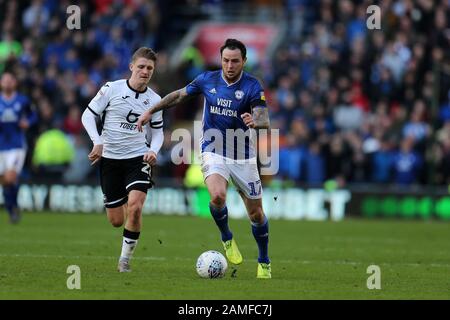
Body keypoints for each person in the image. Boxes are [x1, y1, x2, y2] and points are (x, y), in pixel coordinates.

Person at [137, 39, 272, 279]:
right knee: (218, 196)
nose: (229, 65)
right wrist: (151, 110)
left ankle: (264, 260)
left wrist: (256, 121)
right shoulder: (207, 79)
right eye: (226, 60)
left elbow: (263, 119)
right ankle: (227, 237)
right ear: (221, 60)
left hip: (243, 156)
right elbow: (178, 96)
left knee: (257, 215)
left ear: (244, 61)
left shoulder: (252, 85)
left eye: (235, 61)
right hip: (213, 148)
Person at [81, 47, 164, 272]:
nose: (145, 71)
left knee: (136, 207)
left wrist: (153, 151)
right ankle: (126, 209)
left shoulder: (155, 100)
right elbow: (88, 115)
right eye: (141, 67)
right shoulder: (111, 89)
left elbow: (158, 132)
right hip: (110, 159)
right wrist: (96, 141)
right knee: (116, 220)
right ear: (131, 67)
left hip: (138, 158)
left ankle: (124, 260)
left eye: (149, 68)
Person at [0, 72, 37, 224]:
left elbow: (34, 115)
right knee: (4, 180)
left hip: (17, 145)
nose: (8, 83)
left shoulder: (22, 100)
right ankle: (12, 208)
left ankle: (12, 210)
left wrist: (28, 122)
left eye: (10, 80)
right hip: (1, 145)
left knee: (10, 177)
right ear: (1, 83)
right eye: (5, 80)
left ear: (14, 83)